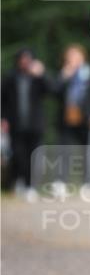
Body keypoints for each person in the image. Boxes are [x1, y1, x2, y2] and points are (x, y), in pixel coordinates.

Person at [54, 43, 90, 192]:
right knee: (64, 151)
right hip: (67, 119)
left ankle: (88, 183)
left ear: (83, 57)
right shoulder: (64, 74)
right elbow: (54, 92)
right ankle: (61, 182)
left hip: (87, 119)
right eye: (70, 56)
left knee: (88, 151)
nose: (73, 59)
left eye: (76, 56)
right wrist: (64, 77)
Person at [1, 47, 52, 199]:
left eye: (28, 59)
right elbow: (2, 100)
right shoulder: (11, 77)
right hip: (15, 125)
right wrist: (3, 118)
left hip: (34, 125)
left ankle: (30, 187)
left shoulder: (37, 78)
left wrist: (41, 75)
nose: (25, 62)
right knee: (18, 155)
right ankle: (19, 182)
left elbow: (52, 89)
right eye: (22, 59)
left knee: (33, 156)